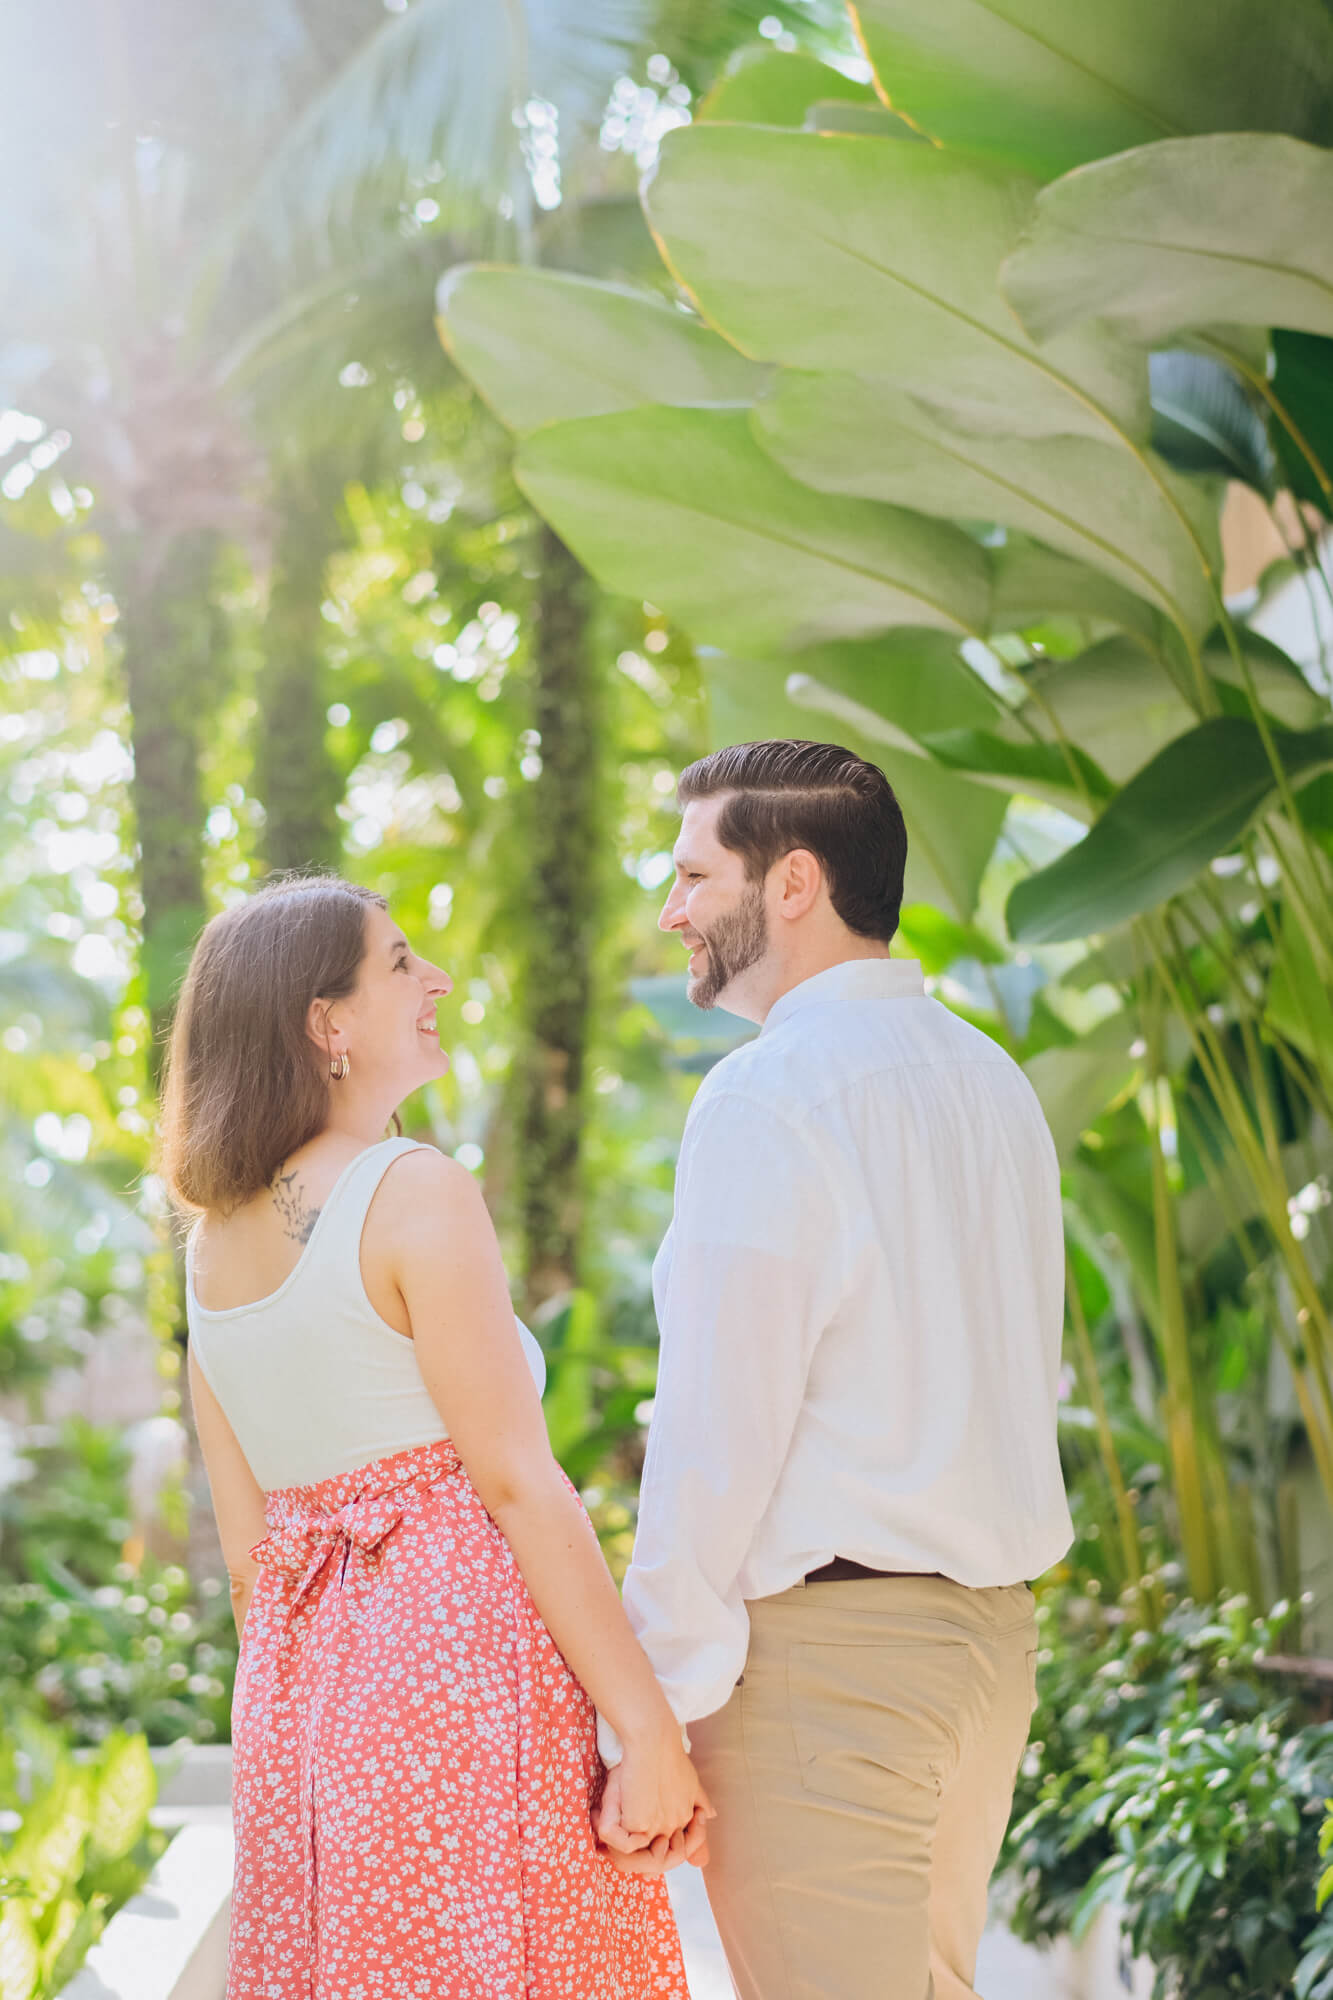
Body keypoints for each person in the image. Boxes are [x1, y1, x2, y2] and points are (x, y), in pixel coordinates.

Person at [162, 875, 707, 2000]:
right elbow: (517, 1484)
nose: (438, 980)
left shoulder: (209, 1247)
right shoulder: (412, 1189)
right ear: (327, 1021)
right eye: (401, 961)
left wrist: (324, 1723)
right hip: (464, 1683)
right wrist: (647, 1729)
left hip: (302, 1704)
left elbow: (253, 1561)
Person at [596, 741, 1074, 1999]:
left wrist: (649, 1712)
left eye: (693, 873)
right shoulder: (992, 1079)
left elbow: (715, 1434)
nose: (672, 908)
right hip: (984, 1649)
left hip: (831, 1665)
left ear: (792, 881)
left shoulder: (767, 1092)